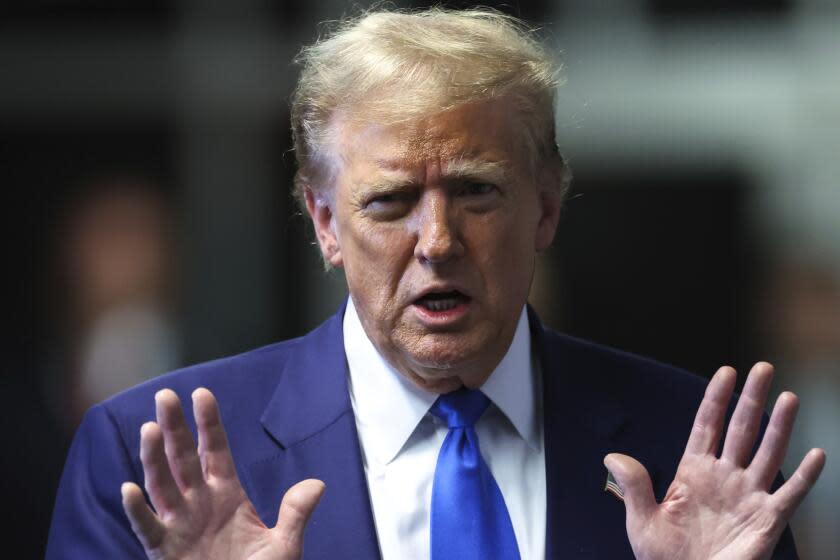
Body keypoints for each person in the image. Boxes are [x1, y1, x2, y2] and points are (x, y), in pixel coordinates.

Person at [46, 8, 825, 559]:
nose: (439, 243)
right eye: (390, 202)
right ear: (324, 224)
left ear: (547, 207)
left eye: (477, 191)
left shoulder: (696, 451)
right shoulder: (149, 460)